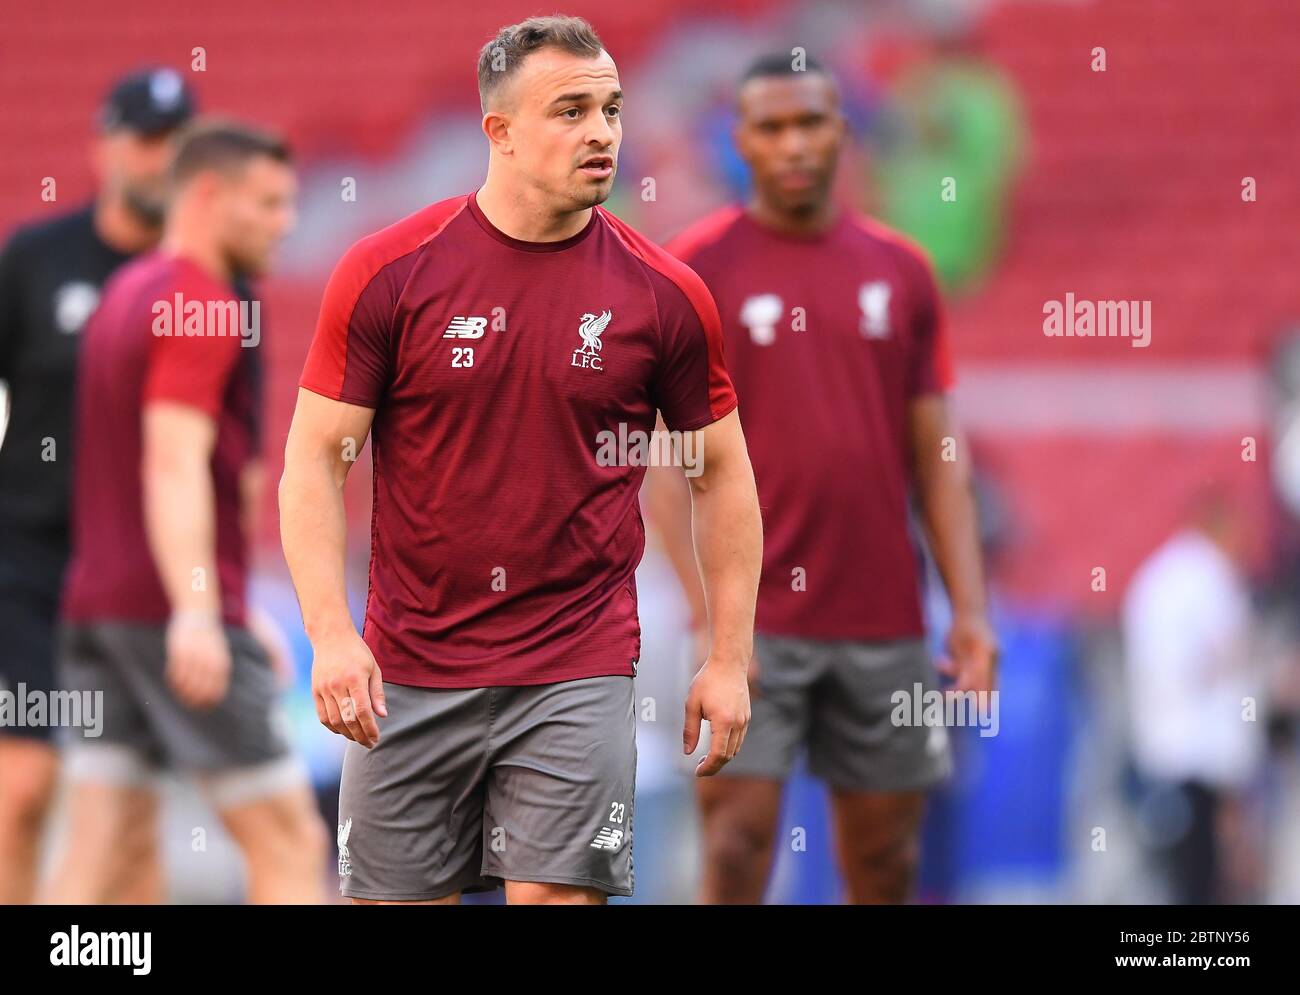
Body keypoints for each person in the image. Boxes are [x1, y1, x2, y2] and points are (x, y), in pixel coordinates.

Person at [279, 14, 762, 906]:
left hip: (576, 667)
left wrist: (729, 654)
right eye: (571, 111)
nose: (603, 132)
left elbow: (721, 472)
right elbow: (313, 459)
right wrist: (331, 633)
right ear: (498, 132)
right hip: (411, 669)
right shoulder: (390, 273)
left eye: (611, 109)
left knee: (558, 898)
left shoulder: (665, 296)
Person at [646, 53, 997, 904]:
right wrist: (709, 619)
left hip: (885, 616)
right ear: (742, 141)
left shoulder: (901, 273)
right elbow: (665, 465)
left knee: (886, 864)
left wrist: (972, 613)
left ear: (841, 132)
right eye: (772, 127)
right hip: (753, 624)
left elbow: (938, 457)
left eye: (811, 123)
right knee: (734, 843)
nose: (794, 144)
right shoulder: (695, 272)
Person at [45, 121, 327, 904]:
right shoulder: (201, 305)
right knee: (289, 841)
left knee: (101, 849)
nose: (286, 222)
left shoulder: (125, 292)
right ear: (207, 195)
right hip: (172, 615)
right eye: (268, 204)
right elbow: (172, 464)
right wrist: (204, 609)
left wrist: (233, 602)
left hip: (96, 609)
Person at [0, 67, 195, 903]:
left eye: (179, 144)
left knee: (127, 817)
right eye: (148, 141)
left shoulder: (206, 278)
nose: (163, 161)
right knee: (24, 789)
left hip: (138, 576)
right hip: (30, 567)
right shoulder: (38, 259)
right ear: (106, 148)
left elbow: (227, 449)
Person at [1122, 490, 1264, 903]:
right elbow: (1227, 650)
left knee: (1177, 872)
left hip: (1165, 747)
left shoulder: (1161, 574)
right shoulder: (1205, 575)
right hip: (1200, 754)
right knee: (1201, 876)